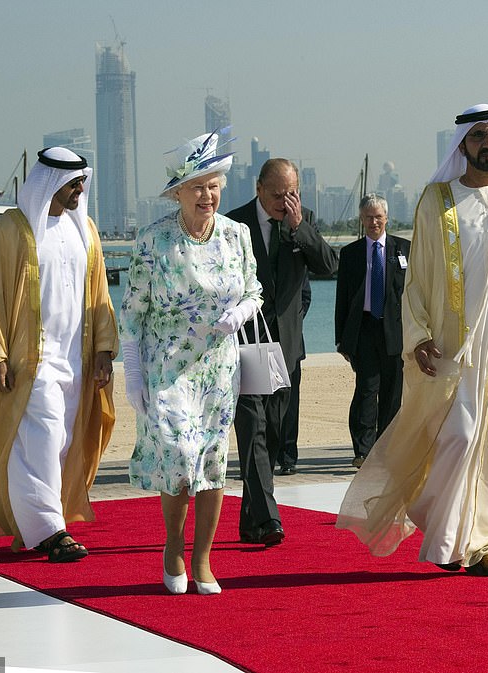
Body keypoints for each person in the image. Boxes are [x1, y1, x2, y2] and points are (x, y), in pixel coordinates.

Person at [337, 104, 488, 577]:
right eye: (480, 137)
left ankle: (479, 543)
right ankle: (440, 525)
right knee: (457, 436)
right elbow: (418, 281)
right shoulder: (437, 201)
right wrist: (420, 335)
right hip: (453, 350)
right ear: (462, 145)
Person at [119, 130, 262, 594]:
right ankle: (173, 547)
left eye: (214, 183)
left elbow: (254, 292)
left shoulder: (237, 235)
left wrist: (238, 313)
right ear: (178, 191)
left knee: (212, 462)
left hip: (218, 368)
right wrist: (134, 374)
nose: (208, 194)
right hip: (167, 366)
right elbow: (133, 313)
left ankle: (202, 560)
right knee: (180, 456)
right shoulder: (153, 240)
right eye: (197, 185)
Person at [0, 147, 118, 562]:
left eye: (81, 182)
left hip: (76, 358)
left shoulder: (84, 229)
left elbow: (99, 295)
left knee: (63, 441)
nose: (79, 190)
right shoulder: (13, 230)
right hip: (29, 360)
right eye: (73, 183)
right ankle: (49, 531)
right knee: (43, 436)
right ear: (50, 182)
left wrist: (104, 349)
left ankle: (35, 522)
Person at [226, 159, 338, 546]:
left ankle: (251, 520)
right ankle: (270, 520)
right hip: (245, 344)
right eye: (276, 195)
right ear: (258, 188)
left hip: (285, 348)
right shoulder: (233, 223)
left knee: (273, 433)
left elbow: (327, 264)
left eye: (291, 194)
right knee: (253, 427)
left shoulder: (301, 220)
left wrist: (298, 227)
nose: (284, 201)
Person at [335, 193, 410, 469]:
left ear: (386, 218)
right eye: (368, 217)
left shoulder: (404, 249)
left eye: (378, 217)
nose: (373, 222)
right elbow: (342, 297)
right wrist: (341, 338)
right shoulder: (350, 253)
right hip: (364, 329)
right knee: (367, 389)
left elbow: (413, 295)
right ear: (362, 219)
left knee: (392, 392)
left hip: (395, 331)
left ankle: (387, 447)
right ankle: (363, 450)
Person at [276, 271, 311, 476]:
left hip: (292, 342)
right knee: (262, 404)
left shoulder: (296, 262)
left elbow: (305, 296)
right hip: (263, 341)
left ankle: (288, 458)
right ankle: (264, 456)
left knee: (290, 404)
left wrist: (290, 323)